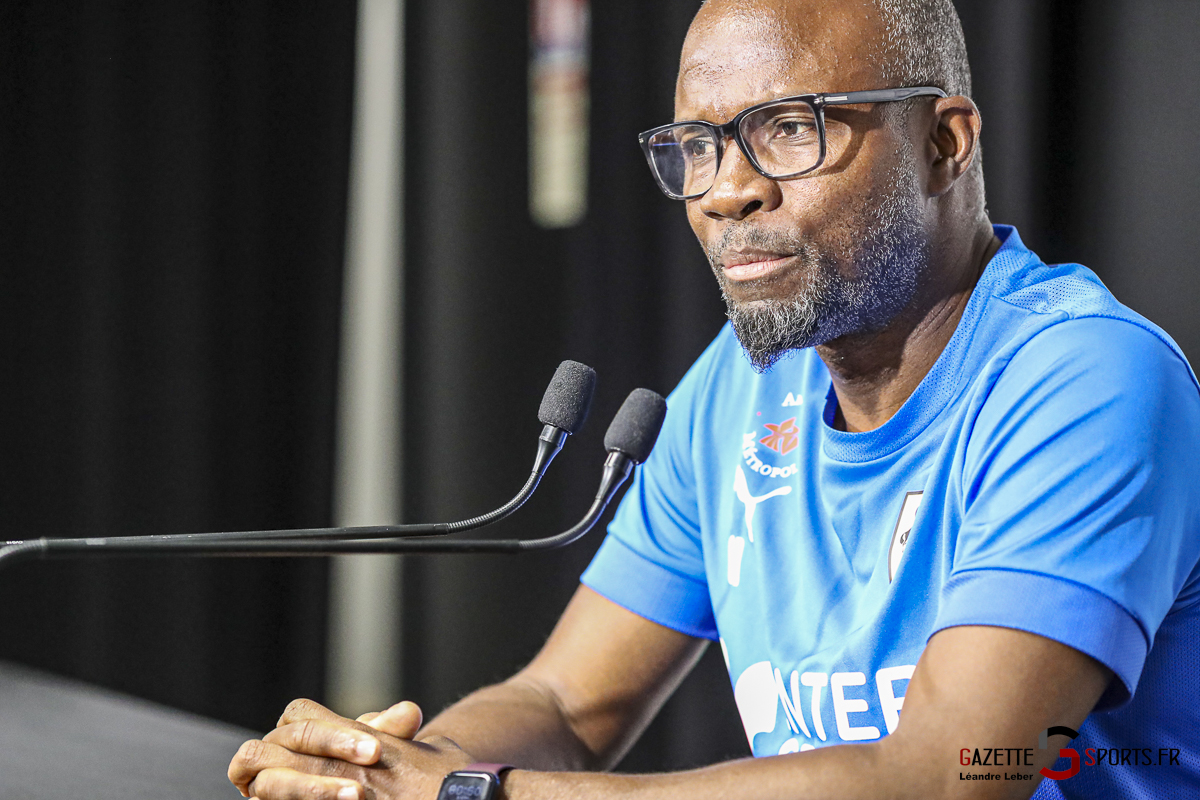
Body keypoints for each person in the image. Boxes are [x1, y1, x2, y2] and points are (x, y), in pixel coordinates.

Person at [228, 0, 1200, 798]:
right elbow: (567, 702)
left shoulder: (1088, 380)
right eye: (697, 145)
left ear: (943, 143)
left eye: (787, 129)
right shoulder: (741, 389)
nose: (727, 191)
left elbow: (947, 775)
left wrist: (481, 795)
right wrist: (382, 771)